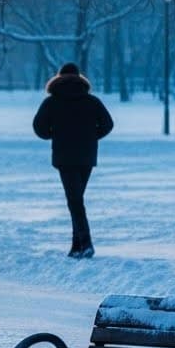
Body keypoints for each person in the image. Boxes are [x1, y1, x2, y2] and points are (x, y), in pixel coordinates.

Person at [32, 63, 113, 258]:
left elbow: (39, 128)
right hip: (86, 156)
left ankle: (85, 243)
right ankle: (77, 246)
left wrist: (54, 134)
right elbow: (108, 124)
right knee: (76, 199)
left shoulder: (51, 102)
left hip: (64, 155)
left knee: (74, 200)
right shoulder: (92, 101)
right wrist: (92, 136)